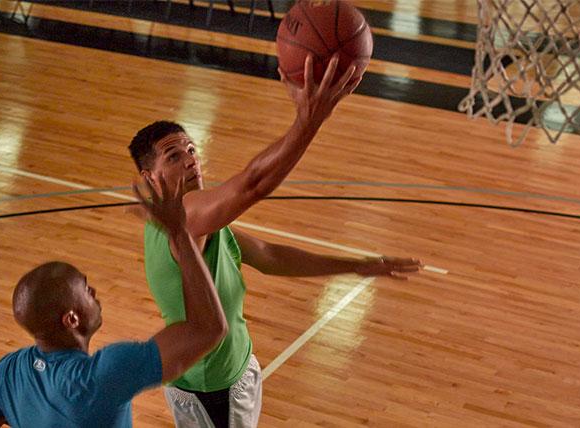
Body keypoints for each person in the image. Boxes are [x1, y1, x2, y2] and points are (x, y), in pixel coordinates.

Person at [128, 55, 423, 427]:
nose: (191, 161)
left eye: (191, 150)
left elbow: (269, 256)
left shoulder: (196, 224)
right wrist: (309, 120)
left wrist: (356, 266)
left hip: (233, 374)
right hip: (211, 391)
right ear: (149, 176)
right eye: (174, 156)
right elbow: (252, 184)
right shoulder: (186, 217)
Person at [0, 175, 227, 428]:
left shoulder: (9, 371)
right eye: (86, 289)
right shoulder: (103, 375)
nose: (94, 291)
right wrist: (180, 233)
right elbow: (207, 329)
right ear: (71, 319)